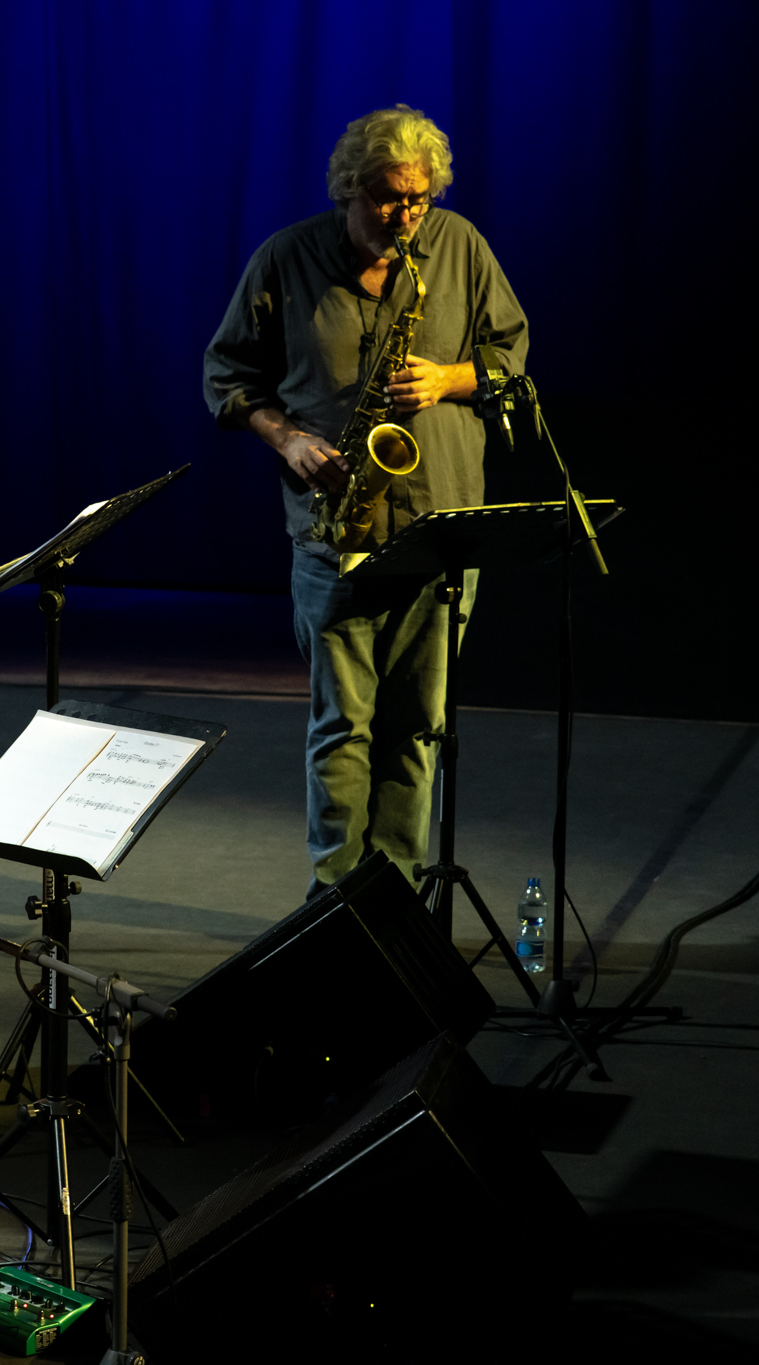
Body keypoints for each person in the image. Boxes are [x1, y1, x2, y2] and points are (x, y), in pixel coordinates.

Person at [203, 105, 529, 890]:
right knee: (342, 726)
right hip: (335, 533)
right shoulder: (286, 260)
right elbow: (225, 377)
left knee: (418, 728)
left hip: (440, 524)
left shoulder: (460, 248)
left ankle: (395, 889)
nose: (406, 216)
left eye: (419, 199)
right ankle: (337, 896)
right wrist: (287, 439)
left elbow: (510, 355)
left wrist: (451, 377)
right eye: (388, 198)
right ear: (349, 189)